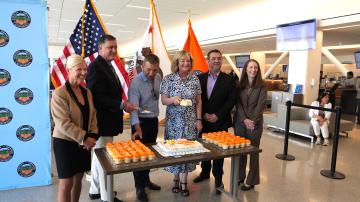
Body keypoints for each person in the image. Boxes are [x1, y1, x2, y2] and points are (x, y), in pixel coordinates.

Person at [86, 34, 136, 202]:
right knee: (104, 160)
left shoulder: (108, 65)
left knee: (98, 156)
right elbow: (96, 96)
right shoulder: (95, 67)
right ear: (100, 49)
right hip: (101, 121)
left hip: (108, 120)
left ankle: (95, 189)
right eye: (110, 47)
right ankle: (106, 197)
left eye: (115, 47)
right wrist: (121, 105)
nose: (114, 50)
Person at [51, 54, 98, 202]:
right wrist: (84, 138)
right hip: (65, 143)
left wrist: (92, 136)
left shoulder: (87, 92)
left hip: (84, 144)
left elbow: (93, 116)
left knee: (78, 179)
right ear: (68, 70)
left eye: (85, 69)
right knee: (66, 182)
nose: (83, 73)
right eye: (79, 69)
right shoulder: (59, 94)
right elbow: (62, 123)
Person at [193, 49, 236, 195]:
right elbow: (197, 100)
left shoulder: (229, 80)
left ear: (221, 60)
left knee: (218, 152)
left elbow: (231, 101)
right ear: (208, 60)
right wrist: (203, 114)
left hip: (220, 122)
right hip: (204, 121)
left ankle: (218, 179)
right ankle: (204, 173)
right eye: (213, 58)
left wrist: (217, 115)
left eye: (219, 58)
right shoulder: (200, 78)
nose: (216, 61)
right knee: (204, 149)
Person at [160, 50, 202, 197]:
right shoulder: (168, 79)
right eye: (182, 61)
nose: (186, 63)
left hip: (190, 122)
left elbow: (198, 101)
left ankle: (184, 182)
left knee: (187, 151)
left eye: (188, 61)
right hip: (173, 123)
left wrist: (199, 120)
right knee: (175, 151)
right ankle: (175, 179)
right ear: (177, 63)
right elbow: (164, 100)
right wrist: (173, 100)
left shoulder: (195, 79)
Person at [128, 54, 162, 201]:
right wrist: (136, 127)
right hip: (140, 123)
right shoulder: (136, 83)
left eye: (154, 70)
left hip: (153, 121)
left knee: (149, 154)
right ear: (142, 67)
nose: (151, 73)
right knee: (138, 157)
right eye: (148, 70)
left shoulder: (158, 77)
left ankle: (146, 181)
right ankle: (139, 188)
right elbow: (133, 107)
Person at [233, 59, 267, 191]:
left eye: (256, 68)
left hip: (255, 123)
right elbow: (238, 104)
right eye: (250, 67)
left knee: (253, 151)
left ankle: (251, 180)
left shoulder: (262, 85)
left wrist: (252, 120)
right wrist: (244, 119)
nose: (253, 70)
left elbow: (261, 104)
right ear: (246, 69)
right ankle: (240, 176)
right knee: (240, 151)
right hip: (240, 123)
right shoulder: (240, 84)